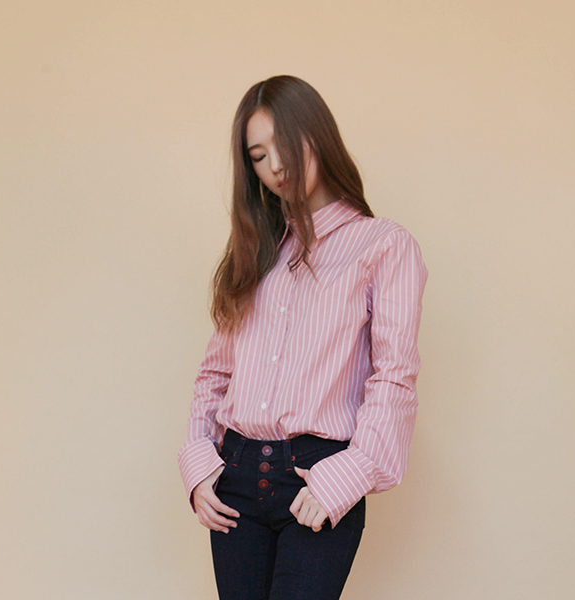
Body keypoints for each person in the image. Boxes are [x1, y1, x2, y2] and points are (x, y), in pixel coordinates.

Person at [177, 75, 429, 600]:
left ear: (317, 134)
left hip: (318, 476)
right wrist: (199, 467)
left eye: (283, 144)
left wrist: (348, 476)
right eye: (257, 156)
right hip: (235, 481)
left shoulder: (384, 246)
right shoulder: (256, 252)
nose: (275, 166)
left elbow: (394, 378)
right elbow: (215, 374)